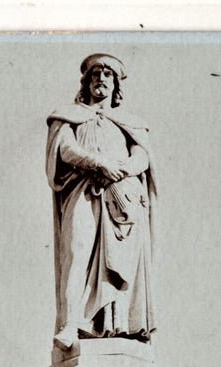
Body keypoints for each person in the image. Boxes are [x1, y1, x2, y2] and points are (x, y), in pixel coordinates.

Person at [46, 54, 156, 351]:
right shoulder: (69, 116)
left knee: (119, 263)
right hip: (83, 190)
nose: (101, 79)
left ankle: (118, 325)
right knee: (76, 251)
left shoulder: (129, 123)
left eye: (108, 75)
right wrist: (98, 163)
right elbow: (66, 149)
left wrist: (123, 169)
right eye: (96, 74)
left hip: (123, 199)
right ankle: (71, 324)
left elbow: (142, 156)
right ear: (87, 81)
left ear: (116, 85)